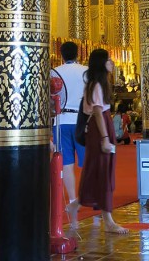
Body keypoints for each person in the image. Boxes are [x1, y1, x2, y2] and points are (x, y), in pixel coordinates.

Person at [77, 48, 129, 235]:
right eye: (108, 60)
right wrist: (105, 138)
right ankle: (108, 220)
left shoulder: (97, 84)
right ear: (101, 63)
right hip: (100, 129)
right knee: (102, 170)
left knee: (97, 169)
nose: (112, 63)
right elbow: (98, 111)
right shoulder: (96, 85)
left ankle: (77, 203)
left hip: (101, 127)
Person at [52, 41, 87, 229]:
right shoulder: (85, 71)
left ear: (61, 54)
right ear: (78, 54)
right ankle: (87, 196)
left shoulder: (55, 72)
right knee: (87, 162)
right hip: (81, 121)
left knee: (66, 163)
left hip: (61, 121)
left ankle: (73, 199)